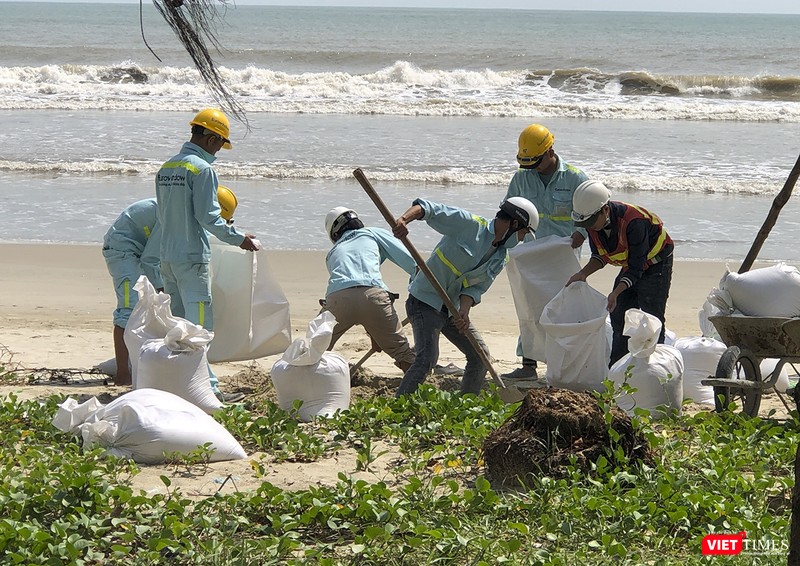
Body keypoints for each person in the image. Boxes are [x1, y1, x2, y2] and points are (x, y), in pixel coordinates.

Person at [155, 108, 259, 403]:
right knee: (200, 327)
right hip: (191, 258)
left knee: (176, 327)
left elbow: (166, 215)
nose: (218, 150)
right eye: (219, 143)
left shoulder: (167, 167)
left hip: (168, 257)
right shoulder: (203, 170)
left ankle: (176, 384)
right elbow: (208, 217)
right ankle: (208, 389)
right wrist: (239, 239)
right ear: (211, 137)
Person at [392, 196, 539, 396]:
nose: (521, 239)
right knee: (427, 359)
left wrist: (464, 311)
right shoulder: (469, 225)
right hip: (425, 300)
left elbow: (473, 289)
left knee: (480, 357)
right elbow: (428, 209)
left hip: (451, 309)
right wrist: (403, 220)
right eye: (522, 233)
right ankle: (399, 404)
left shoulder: (500, 257)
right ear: (514, 223)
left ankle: (466, 405)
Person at [502, 123, 589, 380]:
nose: (532, 168)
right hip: (532, 255)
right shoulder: (521, 179)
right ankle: (528, 365)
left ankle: (560, 365)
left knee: (563, 310)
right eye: (527, 163)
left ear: (550, 150)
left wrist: (580, 234)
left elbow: (592, 213)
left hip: (564, 257)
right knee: (529, 308)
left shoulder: (575, 179)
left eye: (536, 162)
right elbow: (507, 211)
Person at [565, 180, 674, 366]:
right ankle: (617, 367)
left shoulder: (634, 222)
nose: (590, 227)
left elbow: (636, 268)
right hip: (631, 264)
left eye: (591, 222)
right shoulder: (593, 224)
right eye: (585, 223)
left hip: (656, 262)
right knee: (619, 315)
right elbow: (600, 256)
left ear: (605, 210)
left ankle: (656, 369)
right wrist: (583, 274)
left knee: (652, 315)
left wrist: (615, 293)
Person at [323, 207, 417, 372]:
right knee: (403, 354)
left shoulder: (332, 252)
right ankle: (417, 391)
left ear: (335, 234)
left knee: (316, 348)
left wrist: (376, 335)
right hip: (374, 296)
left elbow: (353, 293)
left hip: (337, 299)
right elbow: (412, 263)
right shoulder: (372, 233)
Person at [102, 198, 162, 386]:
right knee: (128, 310)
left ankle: (133, 365)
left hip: (139, 250)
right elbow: (151, 260)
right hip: (122, 252)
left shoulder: (181, 209)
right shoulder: (170, 215)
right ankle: (122, 374)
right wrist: (161, 288)